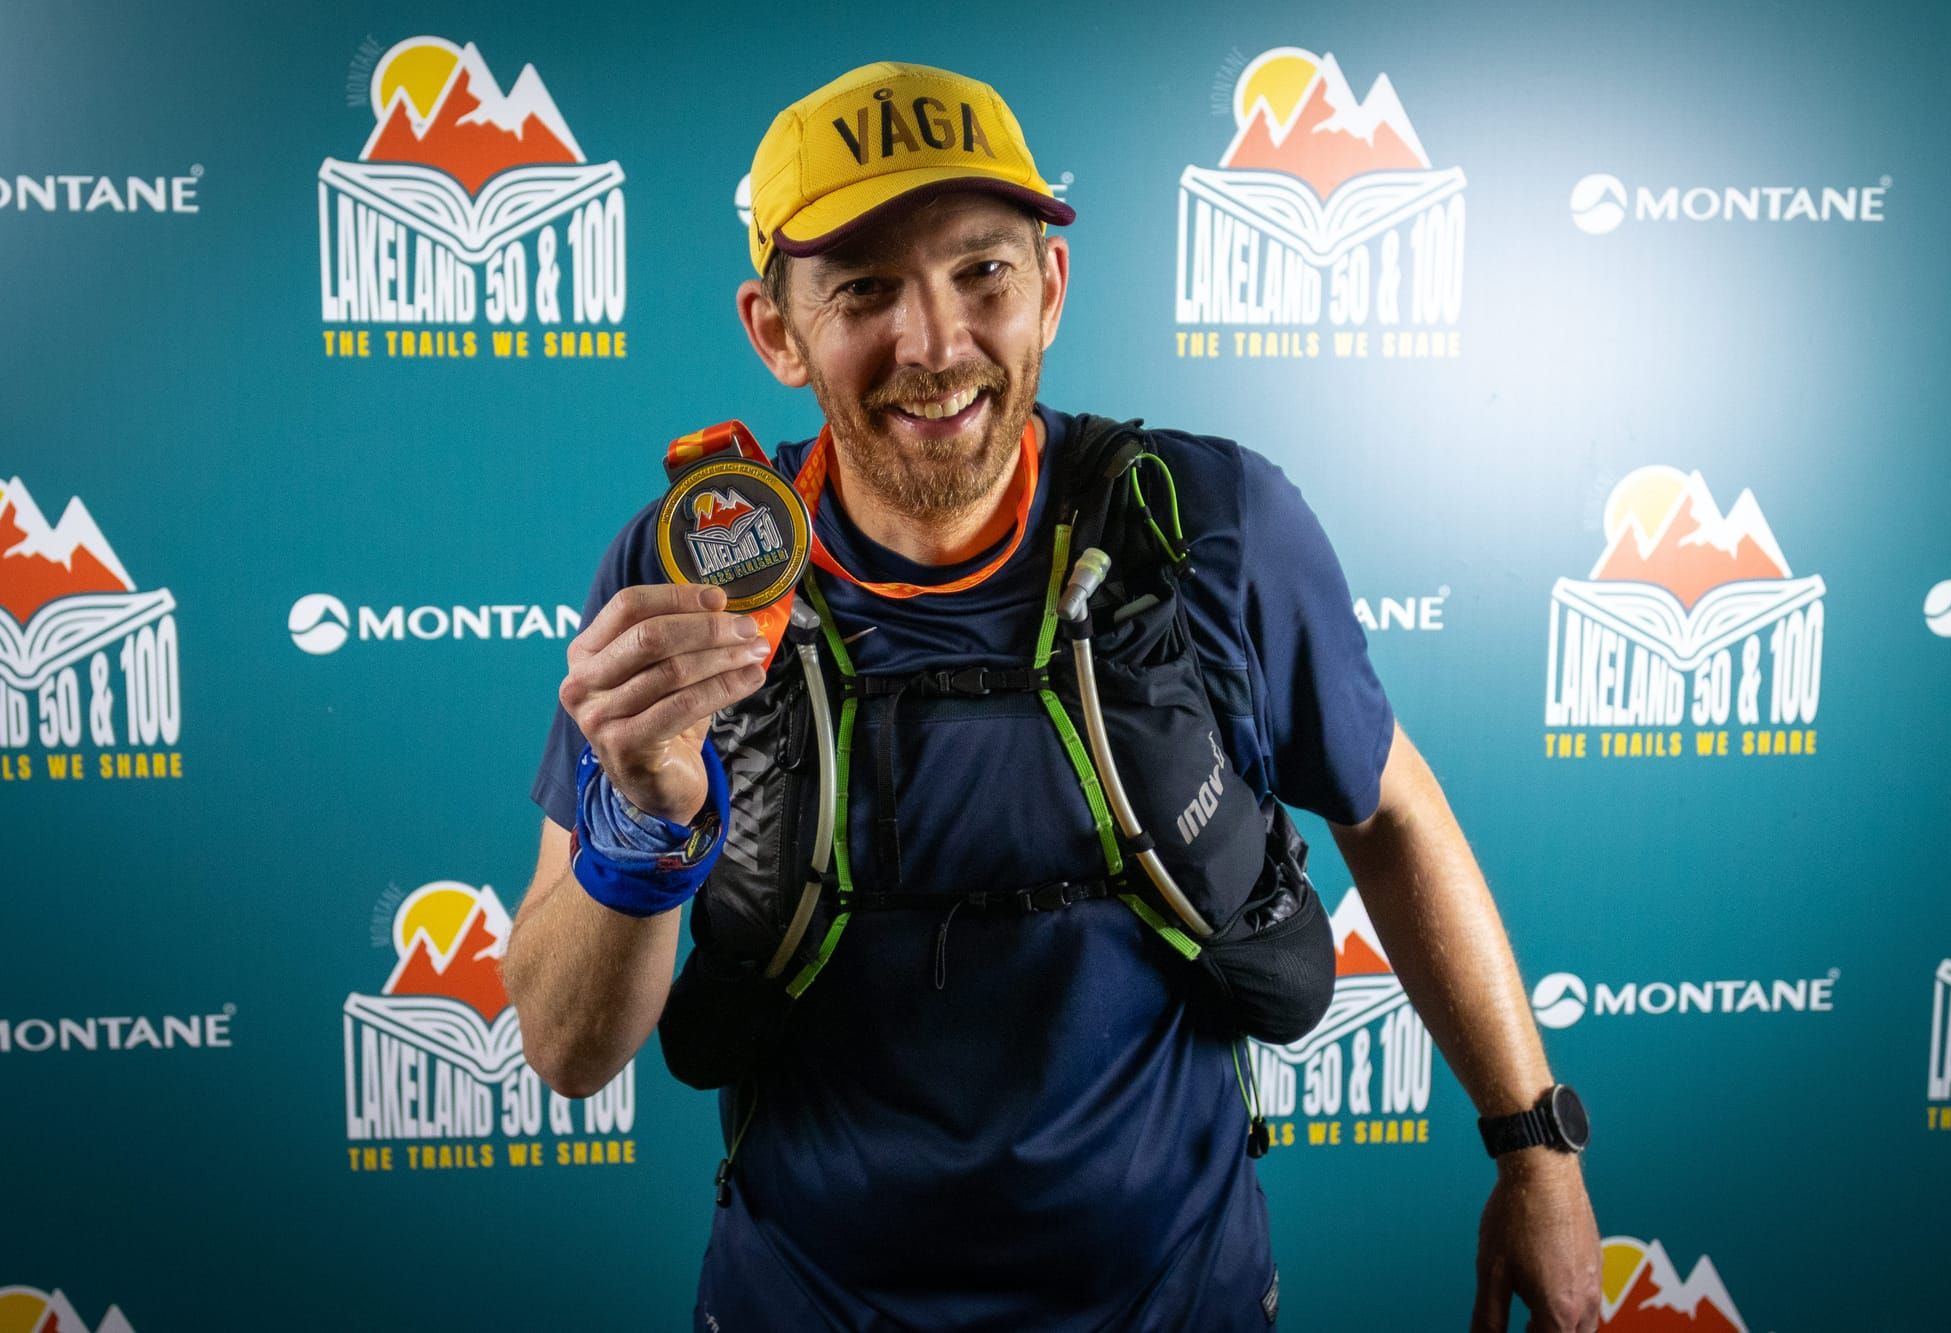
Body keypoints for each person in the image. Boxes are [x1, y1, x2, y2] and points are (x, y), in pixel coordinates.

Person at [506, 60, 1601, 1332]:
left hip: (1175, 1306)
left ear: (1050, 288)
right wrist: (646, 819)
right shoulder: (686, 570)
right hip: (802, 1304)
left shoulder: (1207, 523)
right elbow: (567, 1050)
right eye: (863, 288)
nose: (936, 343)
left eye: (983, 272)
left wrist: (1536, 1151)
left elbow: (1394, 816)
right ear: (774, 330)